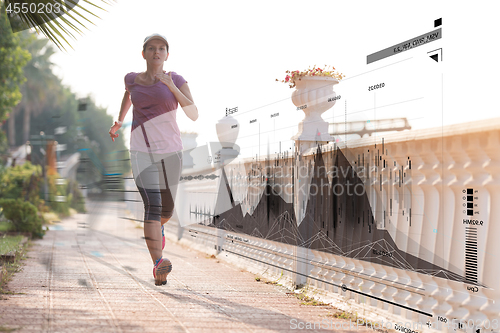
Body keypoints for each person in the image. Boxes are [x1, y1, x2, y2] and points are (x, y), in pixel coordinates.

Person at [109, 33, 198, 285]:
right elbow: (128, 93)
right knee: (153, 205)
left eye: (161, 48)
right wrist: (120, 119)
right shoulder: (132, 79)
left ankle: (157, 232)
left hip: (171, 152)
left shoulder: (177, 79)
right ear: (144, 53)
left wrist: (170, 86)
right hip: (141, 152)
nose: (156, 52)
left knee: (166, 210)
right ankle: (158, 263)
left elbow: (193, 113)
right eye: (151, 48)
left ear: (166, 55)